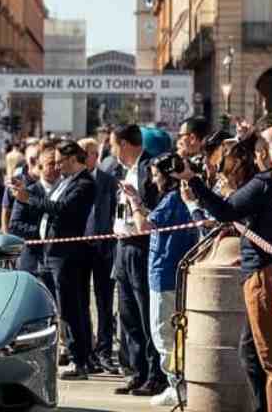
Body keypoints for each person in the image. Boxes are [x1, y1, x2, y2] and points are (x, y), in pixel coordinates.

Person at [177, 132, 272, 412]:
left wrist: (192, 180)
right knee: (252, 354)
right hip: (259, 270)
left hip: (266, 275)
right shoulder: (268, 183)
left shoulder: (265, 183)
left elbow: (225, 210)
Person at [11, 140, 97, 380]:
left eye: (61, 162)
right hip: (51, 252)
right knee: (65, 308)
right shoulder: (69, 181)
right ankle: (79, 357)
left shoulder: (84, 182)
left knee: (70, 309)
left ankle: (79, 360)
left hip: (66, 254)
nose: (58, 167)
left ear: (72, 159)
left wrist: (29, 199)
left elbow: (62, 209)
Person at [127, 147, 197, 407]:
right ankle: (178, 383)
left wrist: (134, 204)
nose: (153, 180)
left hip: (166, 275)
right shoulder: (174, 198)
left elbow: (143, 226)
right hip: (166, 273)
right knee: (169, 333)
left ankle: (177, 385)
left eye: (156, 175)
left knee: (164, 333)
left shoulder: (172, 199)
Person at [109, 124, 168, 398]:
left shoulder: (147, 169)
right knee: (128, 314)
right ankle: (136, 371)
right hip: (122, 245)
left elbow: (151, 211)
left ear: (124, 143)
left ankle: (155, 374)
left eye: (112, 144)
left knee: (145, 312)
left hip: (141, 246)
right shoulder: (126, 171)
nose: (111, 151)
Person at [81, 136, 119, 374]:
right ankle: (87, 352)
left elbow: (114, 210)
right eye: (82, 154)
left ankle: (105, 351)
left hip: (104, 246)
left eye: (90, 154)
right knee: (81, 302)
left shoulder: (108, 180)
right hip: (79, 248)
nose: (86, 159)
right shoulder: (72, 181)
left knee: (105, 302)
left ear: (97, 156)